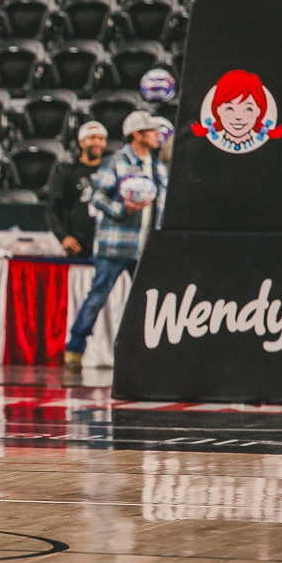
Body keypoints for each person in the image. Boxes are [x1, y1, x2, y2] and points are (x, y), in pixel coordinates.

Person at [64, 111, 166, 371]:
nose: (157, 135)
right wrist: (123, 210)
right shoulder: (117, 162)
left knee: (148, 301)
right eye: (151, 131)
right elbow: (97, 197)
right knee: (97, 297)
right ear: (137, 134)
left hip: (145, 246)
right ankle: (74, 349)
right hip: (115, 245)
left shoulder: (157, 166)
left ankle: (144, 353)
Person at [46, 121, 108, 259]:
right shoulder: (67, 171)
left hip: (106, 244)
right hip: (77, 246)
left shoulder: (110, 171)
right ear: (82, 142)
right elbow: (53, 208)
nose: (97, 142)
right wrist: (63, 237)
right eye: (92, 138)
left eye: (101, 138)